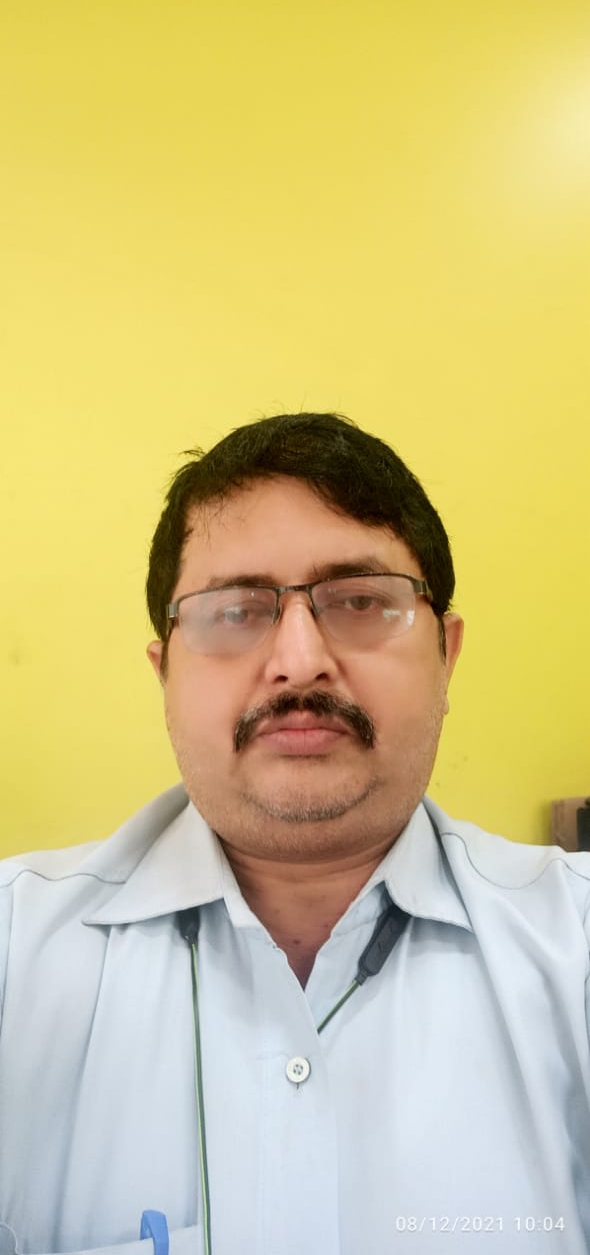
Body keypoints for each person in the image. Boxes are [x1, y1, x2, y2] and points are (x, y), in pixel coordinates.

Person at [1, 411, 589, 1255]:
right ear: (165, 675)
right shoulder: (17, 956)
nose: (300, 659)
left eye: (361, 601)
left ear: (447, 657)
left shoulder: (574, 952)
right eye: (235, 611)